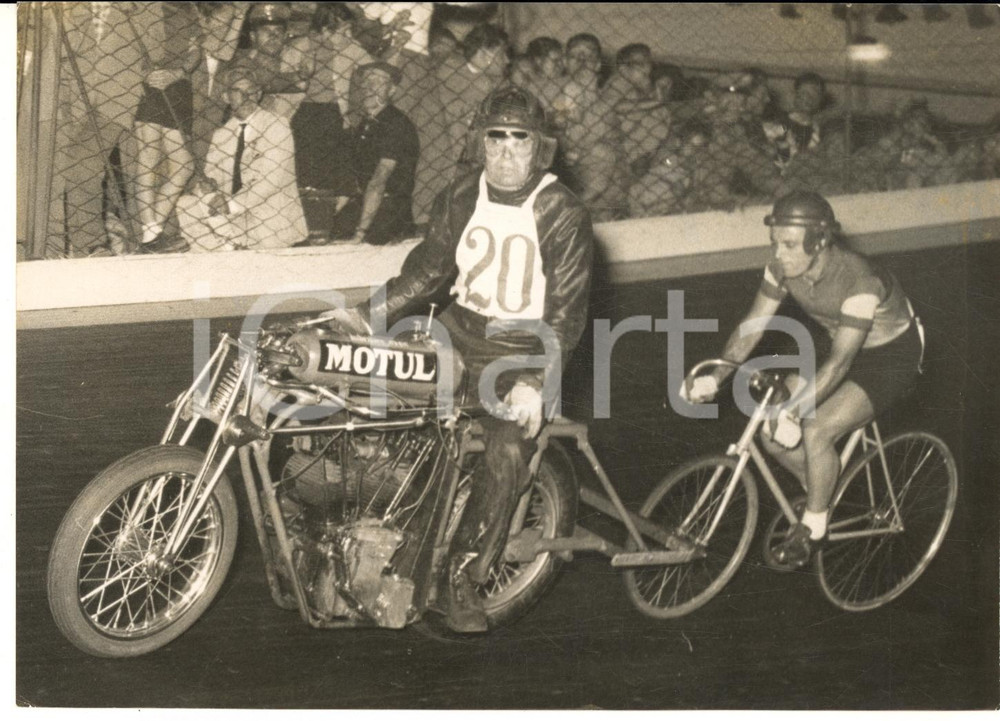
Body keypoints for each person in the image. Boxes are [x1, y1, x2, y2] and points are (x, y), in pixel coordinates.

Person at [325, 86, 593, 632]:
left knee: (504, 448)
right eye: (497, 140)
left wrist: (536, 384)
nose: (507, 154)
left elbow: (566, 314)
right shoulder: (461, 194)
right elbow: (426, 273)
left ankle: (464, 576)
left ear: (540, 148)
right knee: (370, 390)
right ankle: (348, 520)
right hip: (455, 333)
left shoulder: (561, 210)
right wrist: (364, 317)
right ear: (481, 143)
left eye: (521, 142)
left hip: (521, 354)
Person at [682, 191, 924, 567]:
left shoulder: (861, 281)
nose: (779, 254)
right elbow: (751, 329)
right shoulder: (783, 268)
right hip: (841, 347)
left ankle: (814, 525)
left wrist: (796, 411)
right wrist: (717, 376)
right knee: (769, 433)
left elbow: (842, 364)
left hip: (890, 357)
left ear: (821, 241)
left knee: (815, 430)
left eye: (790, 245)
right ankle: (822, 490)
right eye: (775, 243)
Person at [176, 68, 307, 251]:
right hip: (232, 218)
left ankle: (230, 249)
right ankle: (230, 250)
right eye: (237, 91)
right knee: (185, 205)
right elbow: (211, 179)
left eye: (251, 91)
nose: (246, 97)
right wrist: (207, 187)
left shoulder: (277, 125)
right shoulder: (221, 135)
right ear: (226, 97)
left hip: (268, 220)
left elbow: (271, 181)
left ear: (259, 94)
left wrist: (231, 205)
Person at [327, 62, 419, 244]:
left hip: (389, 207)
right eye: (367, 80)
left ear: (392, 90)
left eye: (379, 81)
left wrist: (360, 233)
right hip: (365, 203)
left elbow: (379, 180)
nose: (370, 86)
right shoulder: (367, 123)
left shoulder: (395, 123)